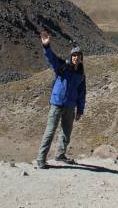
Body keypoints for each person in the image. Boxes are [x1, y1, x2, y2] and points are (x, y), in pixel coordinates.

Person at [36, 31, 86, 169]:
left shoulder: (80, 73)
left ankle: (60, 155)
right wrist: (46, 46)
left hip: (70, 106)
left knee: (66, 132)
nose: (76, 57)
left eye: (78, 56)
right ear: (71, 56)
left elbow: (82, 92)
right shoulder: (63, 66)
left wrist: (80, 110)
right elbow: (52, 58)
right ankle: (41, 159)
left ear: (81, 58)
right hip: (57, 104)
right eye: (74, 55)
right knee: (50, 131)